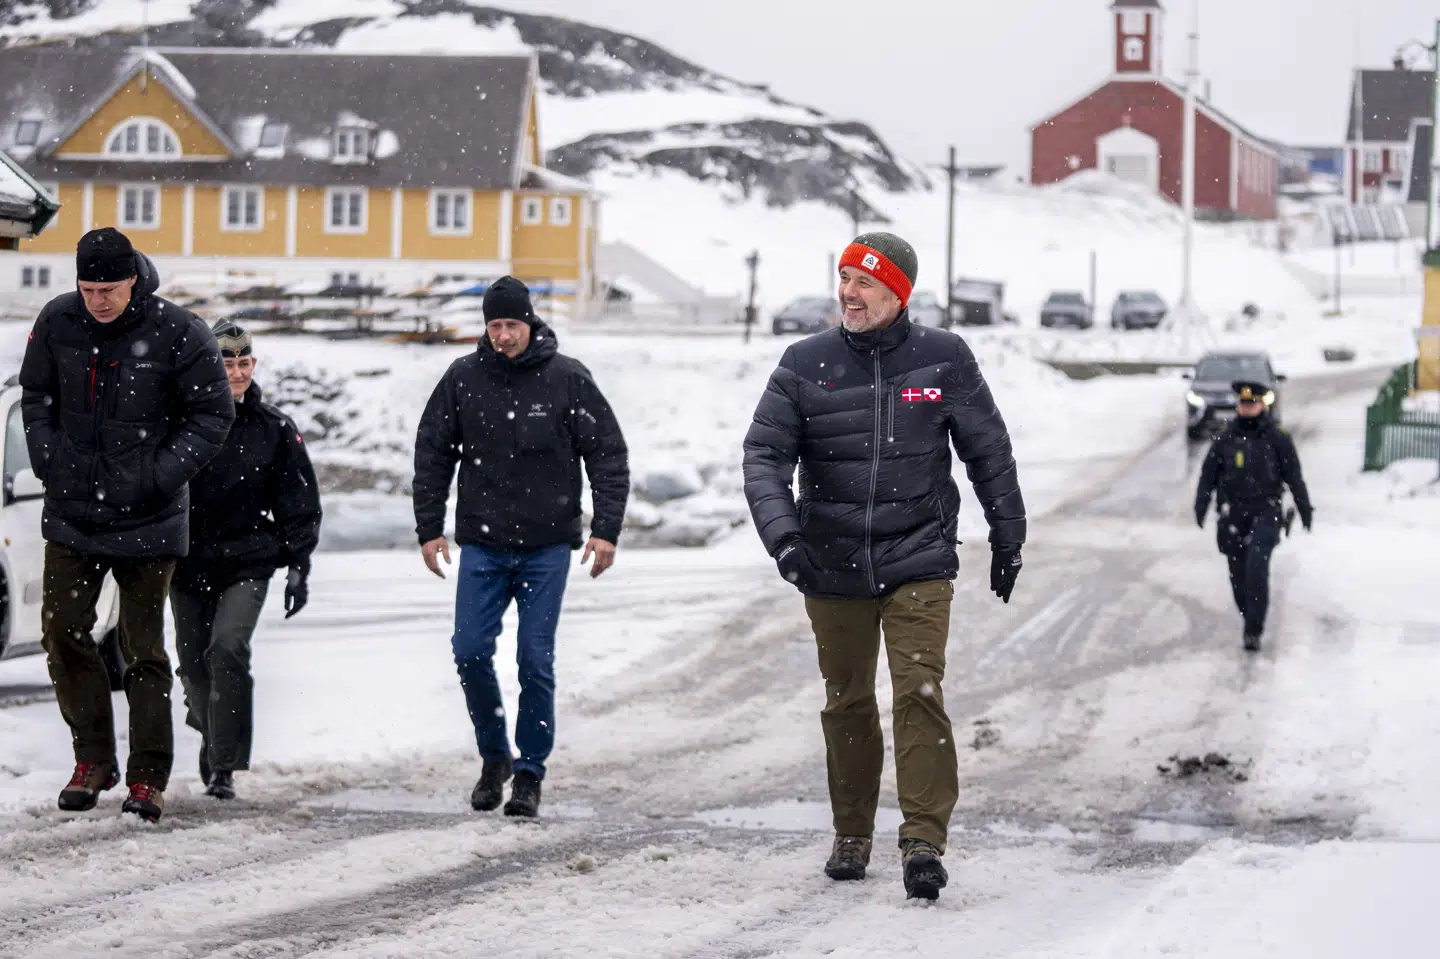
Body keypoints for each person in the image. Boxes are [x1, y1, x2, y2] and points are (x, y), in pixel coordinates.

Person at [742, 232, 1026, 901]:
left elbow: (988, 449)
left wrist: (1008, 534)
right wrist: (784, 539)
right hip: (830, 558)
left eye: (864, 282)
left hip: (918, 555)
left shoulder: (943, 358)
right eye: (844, 278)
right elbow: (764, 457)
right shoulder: (805, 362)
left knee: (918, 690)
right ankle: (852, 831)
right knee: (847, 700)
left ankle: (922, 839)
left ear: (897, 293)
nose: (849, 293)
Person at [19, 228, 234, 822]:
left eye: (108, 290)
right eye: (88, 290)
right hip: (73, 510)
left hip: (149, 516)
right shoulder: (58, 320)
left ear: (133, 280)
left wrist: (156, 476)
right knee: (62, 631)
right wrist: (49, 458)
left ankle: (147, 776)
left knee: (142, 649)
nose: (98, 301)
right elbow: (35, 395)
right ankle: (93, 759)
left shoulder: (179, 331)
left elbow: (212, 415)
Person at [412, 276, 629, 819]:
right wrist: (429, 527)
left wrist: (606, 529)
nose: (504, 335)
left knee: (534, 658)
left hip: (546, 546)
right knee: (469, 651)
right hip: (483, 545)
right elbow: (432, 453)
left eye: (512, 324)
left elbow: (607, 454)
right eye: (495, 325)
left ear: (530, 323)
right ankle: (495, 758)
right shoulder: (463, 378)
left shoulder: (567, 379)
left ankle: (530, 771)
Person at [169, 319, 322, 801]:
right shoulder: (180, 424)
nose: (236, 372)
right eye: (226, 362)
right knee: (193, 667)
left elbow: (299, 502)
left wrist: (299, 566)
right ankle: (215, 731)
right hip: (187, 562)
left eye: (244, 362)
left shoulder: (274, 428)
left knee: (228, 648)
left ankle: (223, 766)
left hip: (248, 560)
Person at [1194, 379, 1312, 651]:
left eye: (1252, 403)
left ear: (1262, 405)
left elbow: (1294, 476)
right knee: (1238, 576)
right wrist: (1201, 504)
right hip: (1233, 514)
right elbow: (1208, 475)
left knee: (1256, 567)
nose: (1247, 408)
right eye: (1243, 403)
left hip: (1266, 511)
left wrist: (1304, 507)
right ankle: (1250, 615)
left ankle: (1253, 630)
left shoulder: (1277, 438)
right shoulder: (1225, 438)